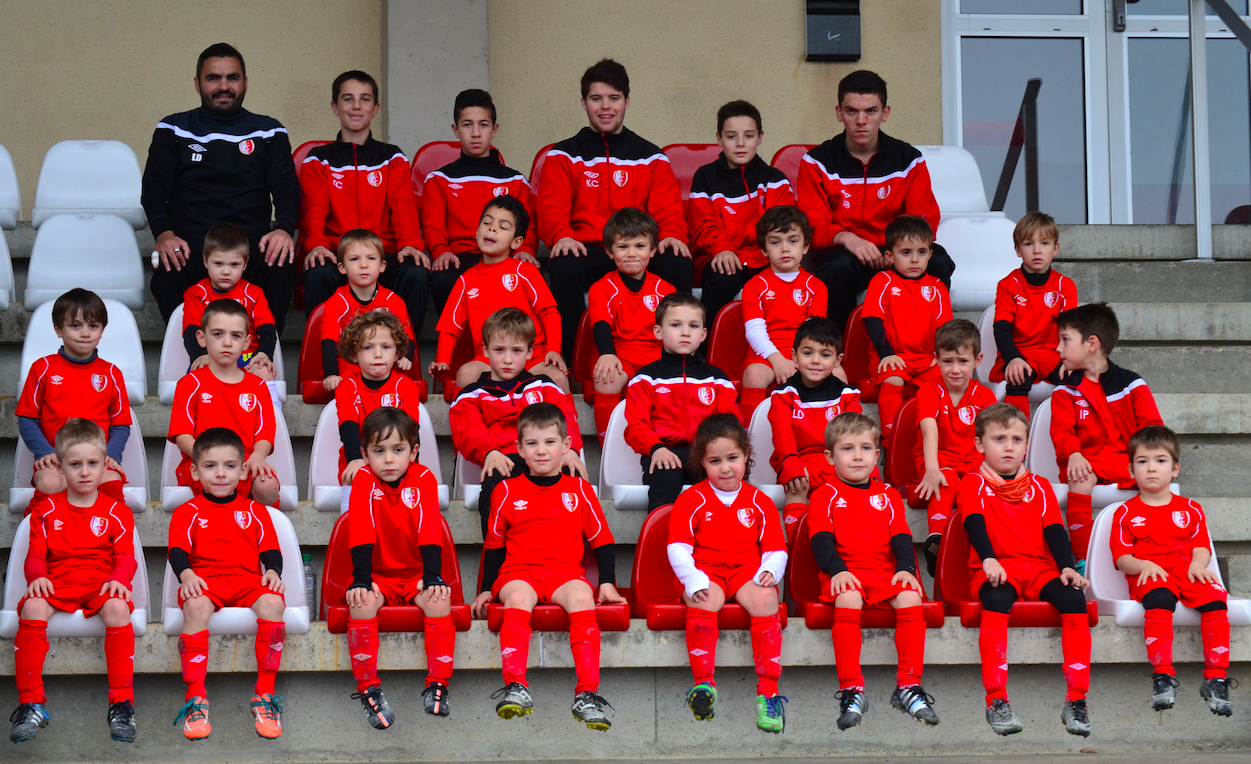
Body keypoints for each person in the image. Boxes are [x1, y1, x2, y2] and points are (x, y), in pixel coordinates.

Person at [471, 403, 626, 730]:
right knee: (517, 599)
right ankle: (517, 686)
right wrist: (486, 588)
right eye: (532, 443)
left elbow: (602, 540)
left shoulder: (580, 490)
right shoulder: (505, 490)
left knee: (584, 598)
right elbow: (494, 545)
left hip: (564, 574)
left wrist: (608, 583)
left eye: (550, 442)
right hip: (519, 573)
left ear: (566, 446)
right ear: (519, 450)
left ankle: (587, 693)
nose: (541, 451)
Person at [537, 58, 692, 362]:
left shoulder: (651, 156)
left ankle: (682, 360)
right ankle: (568, 362)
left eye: (614, 98)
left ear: (626, 102)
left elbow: (669, 208)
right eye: (596, 98)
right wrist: (561, 236)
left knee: (678, 261)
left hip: (637, 249)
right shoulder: (562, 154)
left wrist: (673, 234)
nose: (605, 107)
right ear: (584, 103)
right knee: (563, 265)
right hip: (589, 249)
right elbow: (551, 206)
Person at [142, 43, 300, 330]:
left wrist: (283, 229)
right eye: (213, 78)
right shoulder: (173, 129)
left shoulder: (268, 130)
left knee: (280, 261)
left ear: (246, 83)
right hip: (191, 245)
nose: (224, 86)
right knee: (168, 265)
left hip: (250, 244)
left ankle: (263, 354)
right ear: (197, 84)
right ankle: (190, 355)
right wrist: (164, 234)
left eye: (233, 78)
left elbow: (287, 185)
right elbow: (153, 187)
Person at [959, 403, 1092, 738]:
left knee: (1074, 599)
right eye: (999, 438)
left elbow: (1055, 531)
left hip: (1038, 568)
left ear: (1026, 446)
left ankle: (1076, 699)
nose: (1008, 446)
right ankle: (996, 699)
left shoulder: (1041, 486)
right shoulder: (973, 483)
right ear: (979, 445)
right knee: (997, 598)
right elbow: (974, 523)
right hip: (996, 569)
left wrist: (1067, 567)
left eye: (1017, 439)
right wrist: (989, 559)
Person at [807, 412, 938, 731]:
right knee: (848, 598)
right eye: (847, 448)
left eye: (865, 448)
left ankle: (908, 686)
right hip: (845, 574)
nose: (857, 456)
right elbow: (821, 540)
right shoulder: (825, 494)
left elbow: (902, 538)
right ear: (830, 456)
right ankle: (852, 689)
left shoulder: (889, 495)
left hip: (884, 575)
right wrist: (837, 571)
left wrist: (907, 568)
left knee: (910, 597)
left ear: (877, 455)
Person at [796, 70, 952, 335]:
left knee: (938, 263)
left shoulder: (908, 160)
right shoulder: (817, 161)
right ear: (838, 112)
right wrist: (847, 239)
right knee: (834, 270)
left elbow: (922, 219)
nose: (861, 121)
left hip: (897, 250)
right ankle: (836, 352)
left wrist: (896, 250)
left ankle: (933, 346)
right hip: (846, 254)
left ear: (885, 113)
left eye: (870, 111)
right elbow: (811, 223)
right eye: (851, 111)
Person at [10, 420, 137, 744]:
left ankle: (121, 704)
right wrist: (37, 576)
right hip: (58, 581)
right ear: (60, 466)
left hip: (100, 582)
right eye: (75, 464)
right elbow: (35, 553)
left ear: (105, 464)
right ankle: (30, 702)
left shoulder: (116, 511)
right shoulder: (46, 510)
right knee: (33, 607)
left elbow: (125, 556)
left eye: (92, 464)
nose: (84, 472)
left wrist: (119, 579)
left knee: (118, 610)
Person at [667, 414, 789, 734]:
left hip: (746, 571)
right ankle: (704, 685)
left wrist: (769, 571)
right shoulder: (691, 498)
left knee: (766, 599)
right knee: (704, 599)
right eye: (715, 461)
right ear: (702, 463)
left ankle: (768, 694)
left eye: (733, 458)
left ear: (746, 457)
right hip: (706, 571)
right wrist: (693, 579)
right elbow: (677, 548)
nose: (725, 468)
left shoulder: (759, 501)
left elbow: (776, 548)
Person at [169, 428, 287, 740]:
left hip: (246, 581)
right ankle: (195, 697)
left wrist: (274, 571)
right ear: (195, 470)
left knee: (274, 602)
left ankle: (265, 694)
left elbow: (271, 551)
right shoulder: (187, 512)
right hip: (206, 583)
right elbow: (177, 552)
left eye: (230, 466)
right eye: (210, 466)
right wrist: (187, 576)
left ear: (243, 469)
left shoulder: (256, 511)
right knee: (194, 605)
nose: (221, 474)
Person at [344, 408, 456, 729]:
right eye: (379, 452)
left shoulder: (423, 478)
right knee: (362, 603)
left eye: (398, 450)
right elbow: (361, 531)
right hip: (378, 577)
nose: (389, 460)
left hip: (416, 576)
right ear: (364, 454)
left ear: (414, 451)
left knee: (439, 601)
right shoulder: (364, 479)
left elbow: (430, 530)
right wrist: (362, 580)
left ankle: (438, 684)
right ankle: (368, 689)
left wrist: (432, 577)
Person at [1110, 425, 1233, 716]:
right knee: (1160, 599)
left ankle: (1216, 678)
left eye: (1160, 460)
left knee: (1216, 600)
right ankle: (1162, 675)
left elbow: (1201, 546)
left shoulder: (1191, 508)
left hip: (1186, 571)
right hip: (1151, 574)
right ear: (1131, 469)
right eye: (1143, 461)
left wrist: (1197, 565)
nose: (1151, 468)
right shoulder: (1125, 512)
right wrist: (1144, 565)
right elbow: (1122, 558)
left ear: (1175, 469)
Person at [298, 70, 430, 331]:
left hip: (383, 255)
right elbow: (314, 207)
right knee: (317, 272)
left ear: (376, 108)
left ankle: (404, 357)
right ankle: (325, 357)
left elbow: (402, 205)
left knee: (415, 271)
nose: (356, 106)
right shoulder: (318, 158)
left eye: (365, 99)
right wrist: (315, 244)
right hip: (338, 255)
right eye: (348, 99)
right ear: (335, 107)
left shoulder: (392, 157)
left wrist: (410, 243)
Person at [447, 309, 585, 537]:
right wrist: (488, 452)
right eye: (499, 350)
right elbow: (468, 429)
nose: (508, 359)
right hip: (502, 459)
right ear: (485, 351)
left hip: (545, 455)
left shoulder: (544, 386)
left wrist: (569, 451)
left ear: (530, 352)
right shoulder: (472, 394)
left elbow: (565, 417)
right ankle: (497, 561)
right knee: (494, 484)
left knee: (572, 474)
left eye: (517, 351)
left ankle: (567, 556)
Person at [1051, 302, 1162, 568]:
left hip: (1127, 460)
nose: (1058, 348)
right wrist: (1075, 454)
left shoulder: (1131, 383)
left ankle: (1154, 550)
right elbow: (1061, 431)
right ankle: (1082, 557)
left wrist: (1149, 460)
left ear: (1092, 344)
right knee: (1080, 477)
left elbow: (1152, 429)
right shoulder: (1066, 389)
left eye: (1065, 340)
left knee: (1154, 474)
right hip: (1087, 460)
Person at [429, 196, 567, 391]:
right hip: (489, 358)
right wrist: (442, 360)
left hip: (531, 356)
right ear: (476, 232)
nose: (492, 228)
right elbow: (450, 327)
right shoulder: (465, 280)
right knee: (466, 374)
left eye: (503, 227)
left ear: (517, 242)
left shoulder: (525, 271)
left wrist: (554, 349)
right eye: (487, 223)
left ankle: (568, 421)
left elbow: (549, 313)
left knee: (558, 379)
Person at [423, 88, 540, 315]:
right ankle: (457, 347)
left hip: (504, 258)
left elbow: (529, 226)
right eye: (467, 125)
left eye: (483, 125)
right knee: (442, 279)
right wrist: (440, 251)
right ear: (455, 130)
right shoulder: (439, 179)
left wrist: (526, 249)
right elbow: (432, 224)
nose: (475, 133)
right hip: (458, 258)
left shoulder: (515, 180)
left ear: (494, 130)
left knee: (529, 275)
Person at [16, 289, 130, 513]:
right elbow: (27, 418)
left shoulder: (111, 373)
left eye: (93, 326)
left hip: (97, 461)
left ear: (102, 330)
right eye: (76, 325)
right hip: (56, 459)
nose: (85, 333)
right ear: (58, 329)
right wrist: (44, 453)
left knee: (110, 482)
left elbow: (121, 424)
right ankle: (36, 538)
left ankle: (115, 539)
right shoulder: (43, 368)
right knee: (49, 483)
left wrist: (111, 456)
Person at [624, 293, 740, 512]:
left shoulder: (717, 379)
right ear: (658, 331)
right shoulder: (646, 377)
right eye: (676, 324)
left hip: (707, 453)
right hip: (663, 452)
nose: (686, 332)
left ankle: (717, 541)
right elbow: (635, 426)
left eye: (694, 326)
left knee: (721, 477)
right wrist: (656, 448)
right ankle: (659, 540)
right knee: (666, 475)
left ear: (704, 334)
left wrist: (717, 453)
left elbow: (730, 424)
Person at [689, 100, 795, 329]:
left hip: (764, 258)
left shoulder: (775, 179)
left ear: (760, 137)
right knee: (723, 278)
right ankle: (703, 352)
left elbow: (784, 227)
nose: (740, 144)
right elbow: (704, 224)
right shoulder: (705, 177)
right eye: (731, 136)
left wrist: (767, 256)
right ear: (718, 138)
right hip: (722, 257)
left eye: (748, 136)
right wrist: (723, 248)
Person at [168, 300, 281, 507]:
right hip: (203, 461)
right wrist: (214, 461)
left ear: (247, 342)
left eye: (235, 336)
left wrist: (257, 457)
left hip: (244, 461)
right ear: (202, 338)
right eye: (218, 334)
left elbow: (265, 435)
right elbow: (182, 436)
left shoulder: (257, 386)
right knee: (218, 480)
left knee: (268, 486)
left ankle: (259, 533)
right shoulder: (189, 384)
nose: (227, 342)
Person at [909, 319, 997, 576]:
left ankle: (984, 546)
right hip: (937, 459)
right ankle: (936, 541)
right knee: (945, 480)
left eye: (963, 361)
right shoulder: (929, 390)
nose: (955, 369)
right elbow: (929, 429)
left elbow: (991, 437)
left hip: (972, 463)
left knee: (974, 484)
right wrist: (932, 468)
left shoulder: (985, 396)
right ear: (936, 359)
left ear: (978, 360)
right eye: (947, 361)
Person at [767, 317, 862, 544]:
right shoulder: (784, 395)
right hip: (800, 460)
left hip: (837, 461)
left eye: (825, 355)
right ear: (794, 356)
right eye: (808, 353)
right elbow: (782, 433)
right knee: (797, 483)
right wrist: (791, 463)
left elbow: (857, 436)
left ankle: (847, 544)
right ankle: (798, 547)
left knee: (853, 485)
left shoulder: (847, 395)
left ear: (837, 360)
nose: (816, 361)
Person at [860, 215, 951, 448]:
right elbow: (872, 319)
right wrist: (886, 353)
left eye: (921, 252)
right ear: (889, 256)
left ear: (930, 255)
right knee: (893, 377)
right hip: (890, 356)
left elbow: (944, 328)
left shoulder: (937, 287)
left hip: (926, 359)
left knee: (946, 380)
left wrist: (939, 357)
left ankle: (935, 439)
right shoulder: (883, 281)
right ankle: (891, 439)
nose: (914, 260)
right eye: (906, 252)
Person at [585, 208, 675, 440]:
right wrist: (607, 354)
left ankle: (665, 438)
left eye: (639, 246)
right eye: (623, 247)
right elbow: (601, 323)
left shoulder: (665, 289)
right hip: (617, 354)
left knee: (674, 378)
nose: (631, 254)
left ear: (653, 249)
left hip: (655, 355)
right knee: (608, 376)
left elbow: (673, 330)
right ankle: (609, 443)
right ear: (609, 250)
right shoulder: (602, 287)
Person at [740, 206, 827, 417]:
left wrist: (801, 359)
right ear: (763, 249)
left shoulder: (816, 286)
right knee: (754, 374)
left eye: (793, 241)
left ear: (806, 246)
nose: (785, 249)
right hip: (766, 354)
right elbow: (755, 332)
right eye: (776, 242)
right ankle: (747, 436)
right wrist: (777, 359)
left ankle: (831, 429)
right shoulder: (754, 286)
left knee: (837, 373)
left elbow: (814, 332)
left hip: (804, 350)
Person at [333, 311, 424, 512]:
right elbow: (347, 425)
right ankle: (351, 527)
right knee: (356, 478)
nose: (378, 354)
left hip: (398, 459)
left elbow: (411, 430)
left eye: (386, 347)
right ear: (354, 354)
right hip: (360, 458)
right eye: (368, 347)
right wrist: (355, 458)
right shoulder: (347, 387)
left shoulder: (406, 386)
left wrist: (409, 465)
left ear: (398, 353)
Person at [990, 211, 1077, 416]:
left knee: (1076, 379)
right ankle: (1017, 438)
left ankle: (1066, 439)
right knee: (1018, 377)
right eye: (1029, 244)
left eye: (1044, 243)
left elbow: (1072, 330)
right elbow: (1001, 327)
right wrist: (1013, 358)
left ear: (1055, 248)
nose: (1037, 250)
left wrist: (1071, 360)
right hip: (1019, 353)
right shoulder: (1008, 285)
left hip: (1053, 355)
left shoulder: (1065, 286)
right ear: (1017, 250)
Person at [181, 223, 278, 389]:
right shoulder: (196, 294)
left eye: (234, 265)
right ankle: (207, 415)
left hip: (246, 359)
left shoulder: (254, 294)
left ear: (245, 264)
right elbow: (191, 330)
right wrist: (200, 354)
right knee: (201, 372)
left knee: (264, 371)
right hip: (211, 358)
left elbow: (268, 330)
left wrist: (264, 354)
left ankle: (269, 413)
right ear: (205, 261)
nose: (226, 272)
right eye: (218, 264)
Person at [319, 229, 416, 393]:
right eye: (355, 259)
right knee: (347, 384)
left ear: (382, 265)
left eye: (371, 258)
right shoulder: (337, 302)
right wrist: (331, 374)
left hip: (384, 364)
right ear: (342, 268)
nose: (364, 265)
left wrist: (406, 357)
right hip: (349, 365)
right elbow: (329, 341)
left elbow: (406, 337)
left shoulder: (393, 301)